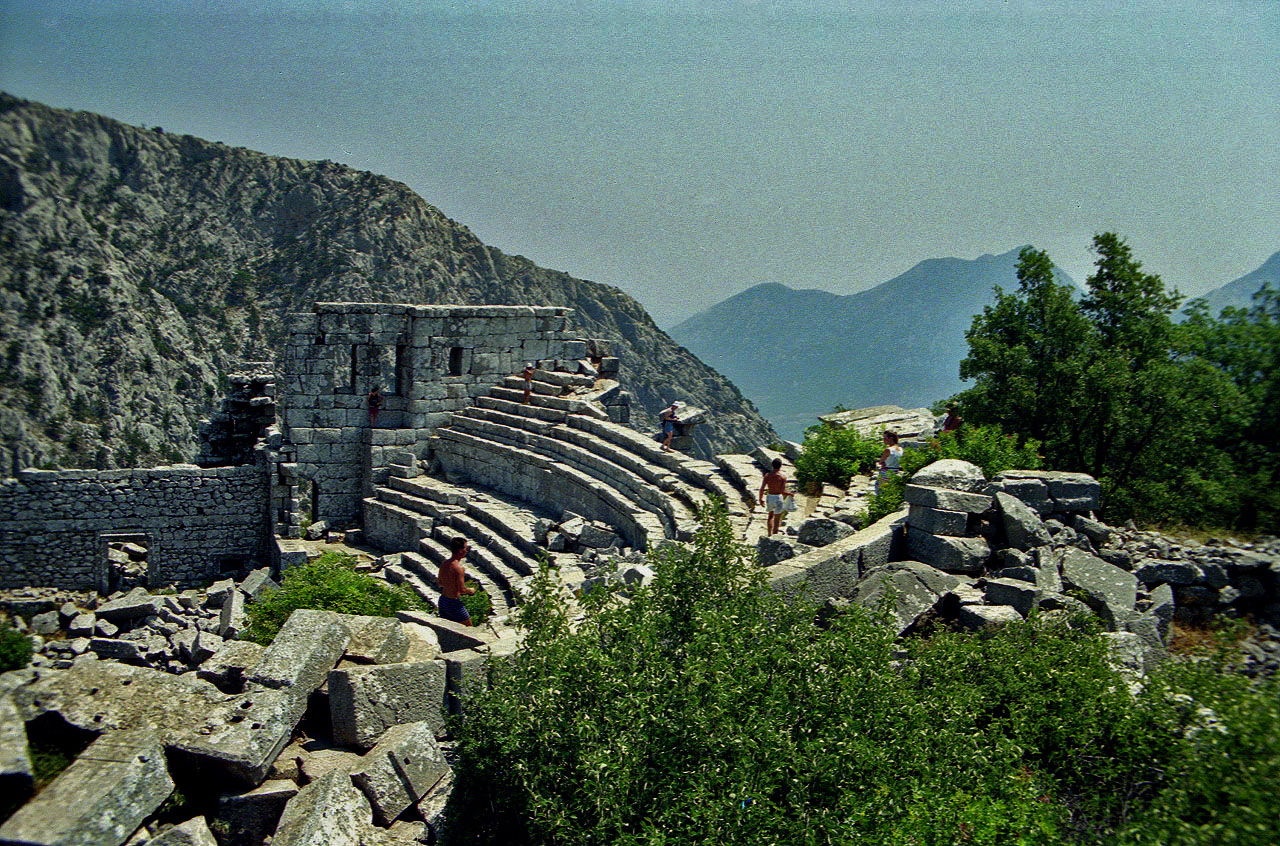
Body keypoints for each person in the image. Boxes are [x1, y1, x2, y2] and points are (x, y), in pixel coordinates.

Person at [437, 536, 476, 626]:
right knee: (469, 629)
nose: (466, 551)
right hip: (453, 603)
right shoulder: (459, 568)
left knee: (448, 628)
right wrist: (470, 590)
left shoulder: (444, 564)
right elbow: (462, 589)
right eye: (466, 548)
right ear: (460, 551)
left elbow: (440, 583)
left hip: (443, 601)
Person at [758, 457, 788, 536]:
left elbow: (762, 489)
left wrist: (761, 498)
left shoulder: (767, 476)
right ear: (781, 466)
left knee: (770, 516)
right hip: (778, 497)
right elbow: (782, 491)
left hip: (770, 496)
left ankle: (769, 533)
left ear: (772, 465)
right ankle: (775, 534)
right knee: (777, 517)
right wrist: (790, 494)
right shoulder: (782, 477)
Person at [876, 430, 903, 494]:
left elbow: (881, 461)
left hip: (886, 472)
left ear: (891, 438)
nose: (884, 440)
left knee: (880, 490)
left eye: (885, 438)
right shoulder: (900, 449)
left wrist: (882, 463)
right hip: (895, 471)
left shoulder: (888, 450)